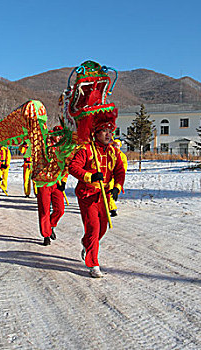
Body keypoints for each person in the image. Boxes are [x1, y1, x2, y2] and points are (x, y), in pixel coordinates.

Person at [68, 112, 125, 278]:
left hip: (105, 196)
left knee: (103, 227)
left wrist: (117, 187)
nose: (108, 135)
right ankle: (93, 263)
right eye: (104, 131)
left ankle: (87, 244)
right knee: (93, 228)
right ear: (96, 133)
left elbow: (120, 171)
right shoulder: (86, 150)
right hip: (88, 195)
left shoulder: (114, 152)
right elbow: (73, 167)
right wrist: (89, 176)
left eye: (110, 131)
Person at [108, 139, 128, 217]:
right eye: (114, 145)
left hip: (116, 177)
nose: (116, 147)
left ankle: (111, 208)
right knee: (109, 192)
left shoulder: (122, 155)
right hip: (108, 177)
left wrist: (119, 173)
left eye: (117, 145)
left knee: (113, 191)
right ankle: (112, 208)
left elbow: (124, 166)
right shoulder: (109, 153)